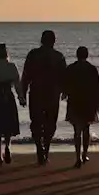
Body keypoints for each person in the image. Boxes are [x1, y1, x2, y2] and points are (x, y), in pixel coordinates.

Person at [21, 30, 67, 165]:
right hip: (52, 94)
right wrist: (65, 91)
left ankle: (39, 149)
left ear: (41, 40)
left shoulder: (33, 54)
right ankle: (45, 148)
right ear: (53, 41)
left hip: (36, 93)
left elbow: (26, 75)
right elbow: (64, 76)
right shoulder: (59, 56)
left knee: (36, 122)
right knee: (50, 123)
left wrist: (23, 93)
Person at [63, 46, 99, 168]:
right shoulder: (92, 69)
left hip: (74, 101)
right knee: (86, 129)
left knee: (76, 130)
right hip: (88, 101)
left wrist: (65, 93)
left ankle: (78, 156)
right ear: (87, 55)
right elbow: (97, 88)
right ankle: (84, 154)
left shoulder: (70, 68)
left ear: (77, 55)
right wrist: (98, 104)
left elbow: (66, 85)